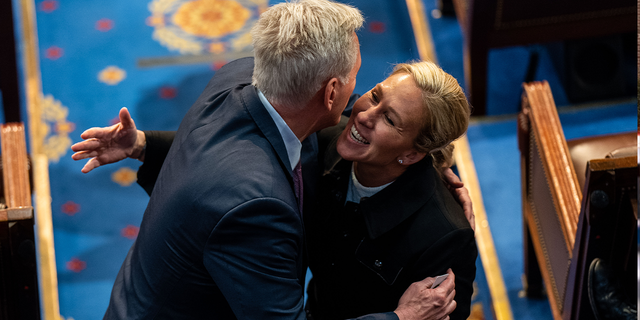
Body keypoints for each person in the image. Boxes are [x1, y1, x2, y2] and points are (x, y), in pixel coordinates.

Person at [71, 1, 464, 319]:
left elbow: (228, 138)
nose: (360, 111)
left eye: (389, 117)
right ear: (330, 94)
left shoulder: (241, 77)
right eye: (366, 89)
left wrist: (429, 162)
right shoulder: (257, 206)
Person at [304, 61, 476, 320]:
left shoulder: (443, 237)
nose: (363, 116)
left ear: (411, 154)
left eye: (389, 119)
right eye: (375, 96)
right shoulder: (323, 140)